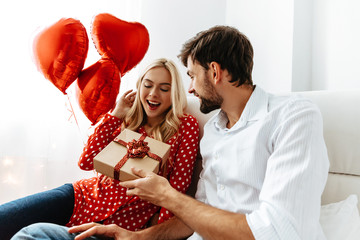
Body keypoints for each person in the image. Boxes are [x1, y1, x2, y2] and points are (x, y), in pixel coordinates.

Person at [12, 26, 329, 240]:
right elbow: (192, 213)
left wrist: (163, 198)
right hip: (86, 196)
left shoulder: (292, 115)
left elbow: (279, 229)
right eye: (148, 86)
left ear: (215, 72)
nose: (191, 87)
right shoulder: (215, 132)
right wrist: (136, 239)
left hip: (123, 212)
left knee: (34, 234)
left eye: (191, 76)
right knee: (28, 230)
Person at [3, 58, 200, 240]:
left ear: (174, 93)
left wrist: (153, 232)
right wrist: (116, 114)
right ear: (139, 87)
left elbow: (177, 187)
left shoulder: (185, 126)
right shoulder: (127, 118)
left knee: (30, 236)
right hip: (81, 198)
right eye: (148, 85)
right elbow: (86, 161)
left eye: (164, 89)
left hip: (122, 222)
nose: (153, 94)